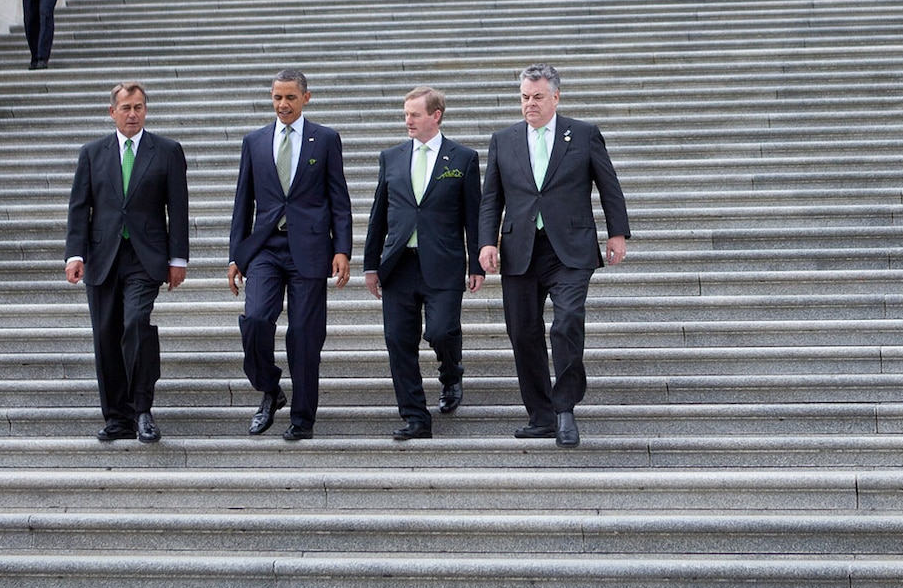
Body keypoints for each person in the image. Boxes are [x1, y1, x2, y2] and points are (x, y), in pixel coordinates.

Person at [478, 64, 630, 448]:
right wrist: (486, 242)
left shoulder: (583, 134)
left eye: (538, 97)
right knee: (522, 332)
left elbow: (608, 186)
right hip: (520, 250)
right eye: (525, 98)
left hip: (570, 250)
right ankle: (541, 415)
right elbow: (491, 198)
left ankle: (565, 409)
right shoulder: (504, 139)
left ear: (556, 97)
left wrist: (617, 233)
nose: (530, 104)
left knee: (567, 322)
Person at [227, 69, 351, 441]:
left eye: (290, 98)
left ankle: (302, 418)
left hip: (310, 250)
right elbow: (242, 202)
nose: (283, 104)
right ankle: (269, 388)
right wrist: (236, 255)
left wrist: (342, 248)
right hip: (265, 247)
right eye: (277, 97)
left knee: (304, 335)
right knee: (255, 321)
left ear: (305, 98)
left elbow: (339, 201)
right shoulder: (254, 141)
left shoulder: (325, 139)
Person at [64, 82, 188, 444]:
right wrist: (76, 254)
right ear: (112, 112)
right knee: (105, 336)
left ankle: (142, 409)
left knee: (136, 323)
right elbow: (79, 208)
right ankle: (117, 417)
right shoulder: (92, 153)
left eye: (138, 107)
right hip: (103, 258)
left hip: (145, 257)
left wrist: (177, 258)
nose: (132, 114)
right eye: (126, 108)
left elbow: (177, 209)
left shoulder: (166, 151)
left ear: (145, 110)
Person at [363, 86, 482, 440]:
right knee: (398, 340)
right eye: (405, 114)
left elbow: (473, 217)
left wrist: (476, 262)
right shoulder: (392, 157)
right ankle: (415, 417)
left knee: (441, 330)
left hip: (443, 262)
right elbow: (378, 214)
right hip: (399, 264)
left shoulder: (462, 158)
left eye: (414, 114)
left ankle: (451, 372)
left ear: (436, 116)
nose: (408, 120)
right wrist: (371, 264)